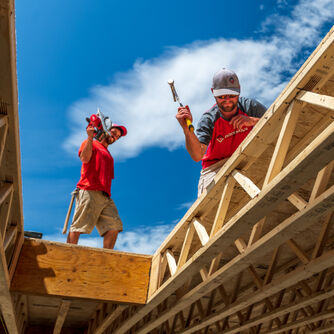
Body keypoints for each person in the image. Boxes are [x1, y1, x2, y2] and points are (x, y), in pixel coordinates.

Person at [176, 68, 267, 196]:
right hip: (215, 166)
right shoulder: (209, 119)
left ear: (239, 90)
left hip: (244, 155)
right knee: (207, 211)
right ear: (213, 92)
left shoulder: (249, 106)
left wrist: (253, 121)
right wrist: (187, 130)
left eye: (232, 95)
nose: (227, 100)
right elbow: (197, 156)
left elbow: (276, 119)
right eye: (222, 96)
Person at [67, 120, 127, 249]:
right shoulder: (91, 143)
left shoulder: (108, 153)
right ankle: (69, 254)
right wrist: (90, 137)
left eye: (118, 137)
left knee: (114, 227)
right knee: (78, 226)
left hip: (105, 196)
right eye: (114, 133)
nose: (115, 137)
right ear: (106, 129)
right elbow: (84, 158)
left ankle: (106, 259)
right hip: (88, 189)